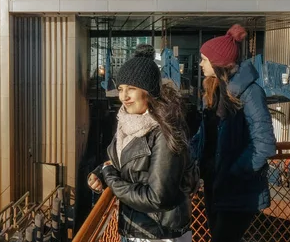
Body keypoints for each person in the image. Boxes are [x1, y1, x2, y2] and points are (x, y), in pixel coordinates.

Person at [87, 44, 198, 242]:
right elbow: (128, 163)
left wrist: (110, 178)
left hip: (159, 233)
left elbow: (157, 198)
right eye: (121, 89)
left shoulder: (164, 132)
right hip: (135, 229)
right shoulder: (128, 124)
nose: (124, 96)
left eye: (131, 89)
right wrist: (101, 172)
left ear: (148, 91)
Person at [191, 24, 276, 242]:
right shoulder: (214, 90)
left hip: (236, 187)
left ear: (217, 63)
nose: (200, 64)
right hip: (214, 183)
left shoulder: (251, 93)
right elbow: (205, 136)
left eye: (204, 59)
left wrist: (234, 172)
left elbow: (264, 143)